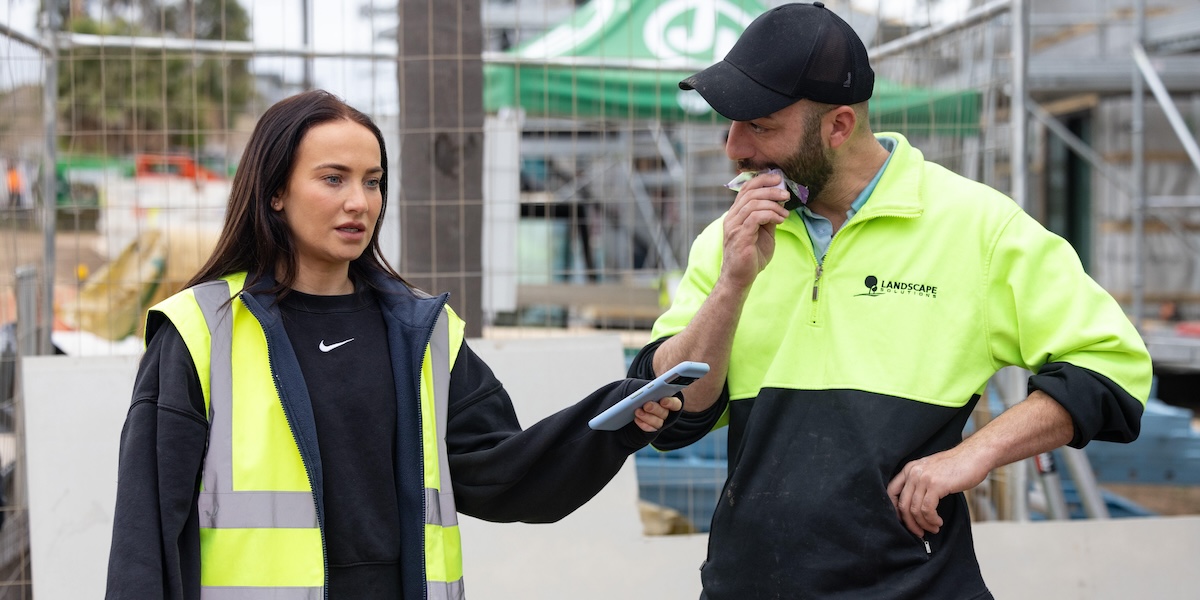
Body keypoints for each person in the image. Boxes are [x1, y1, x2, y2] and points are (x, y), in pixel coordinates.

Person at [627, 3, 1152, 598]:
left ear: (840, 126)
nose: (734, 147)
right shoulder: (728, 242)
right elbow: (671, 416)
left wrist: (974, 455)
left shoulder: (977, 228)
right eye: (730, 124)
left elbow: (1113, 369)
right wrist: (732, 286)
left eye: (761, 125)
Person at [105, 89, 682, 600]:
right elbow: (146, 533)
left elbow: (506, 475)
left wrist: (617, 418)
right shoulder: (200, 330)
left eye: (373, 181)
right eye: (333, 179)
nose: (360, 201)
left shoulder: (423, 333)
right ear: (275, 192)